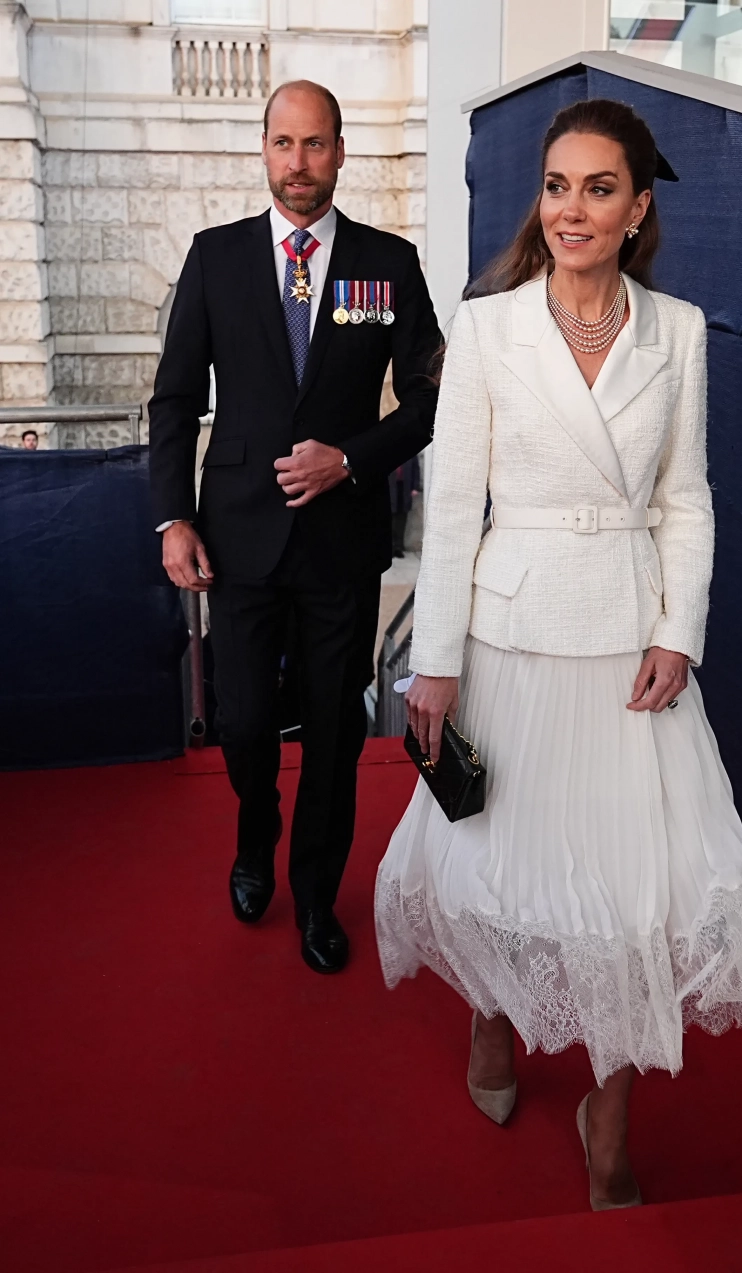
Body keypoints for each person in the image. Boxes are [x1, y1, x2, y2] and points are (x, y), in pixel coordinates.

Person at [374, 99, 742, 1208]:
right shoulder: (486, 329)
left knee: (630, 894)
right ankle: (492, 1013)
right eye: (557, 185)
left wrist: (678, 630)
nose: (571, 208)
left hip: (626, 647)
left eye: (598, 189)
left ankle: (608, 1114)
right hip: (510, 637)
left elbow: (686, 498)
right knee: (502, 861)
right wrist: (435, 657)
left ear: (636, 208)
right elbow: (452, 506)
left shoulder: (680, 330)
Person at [149, 80, 441, 974]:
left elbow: (431, 399)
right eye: (284, 143)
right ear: (264, 149)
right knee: (242, 724)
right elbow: (173, 399)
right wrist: (173, 518)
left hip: (340, 546)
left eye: (316, 144)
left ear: (340, 152)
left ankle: (316, 894)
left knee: (334, 735)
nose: (299, 162)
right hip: (236, 539)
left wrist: (349, 457)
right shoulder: (215, 258)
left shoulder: (388, 264)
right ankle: (255, 833)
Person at [389, 455, 421, 557]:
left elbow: (416, 469)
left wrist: (415, 487)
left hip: (405, 488)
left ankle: (398, 547)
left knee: (402, 517)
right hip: (390, 487)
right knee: (391, 517)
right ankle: (390, 546)